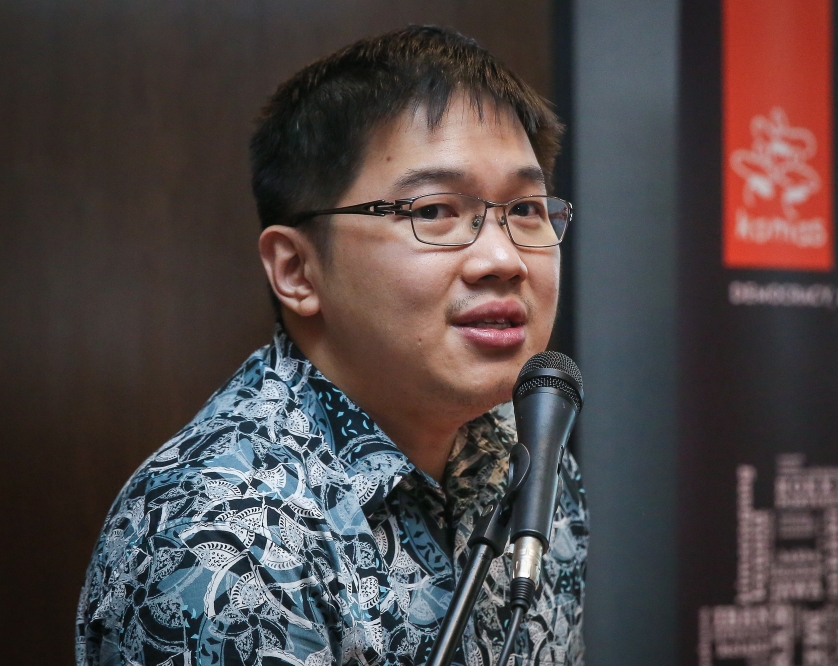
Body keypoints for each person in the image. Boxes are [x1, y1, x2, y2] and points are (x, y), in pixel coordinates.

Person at [76, 25, 587, 666]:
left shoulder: (528, 450)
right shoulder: (223, 542)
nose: (502, 258)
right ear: (297, 270)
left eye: (528, 209)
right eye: (433, 211)